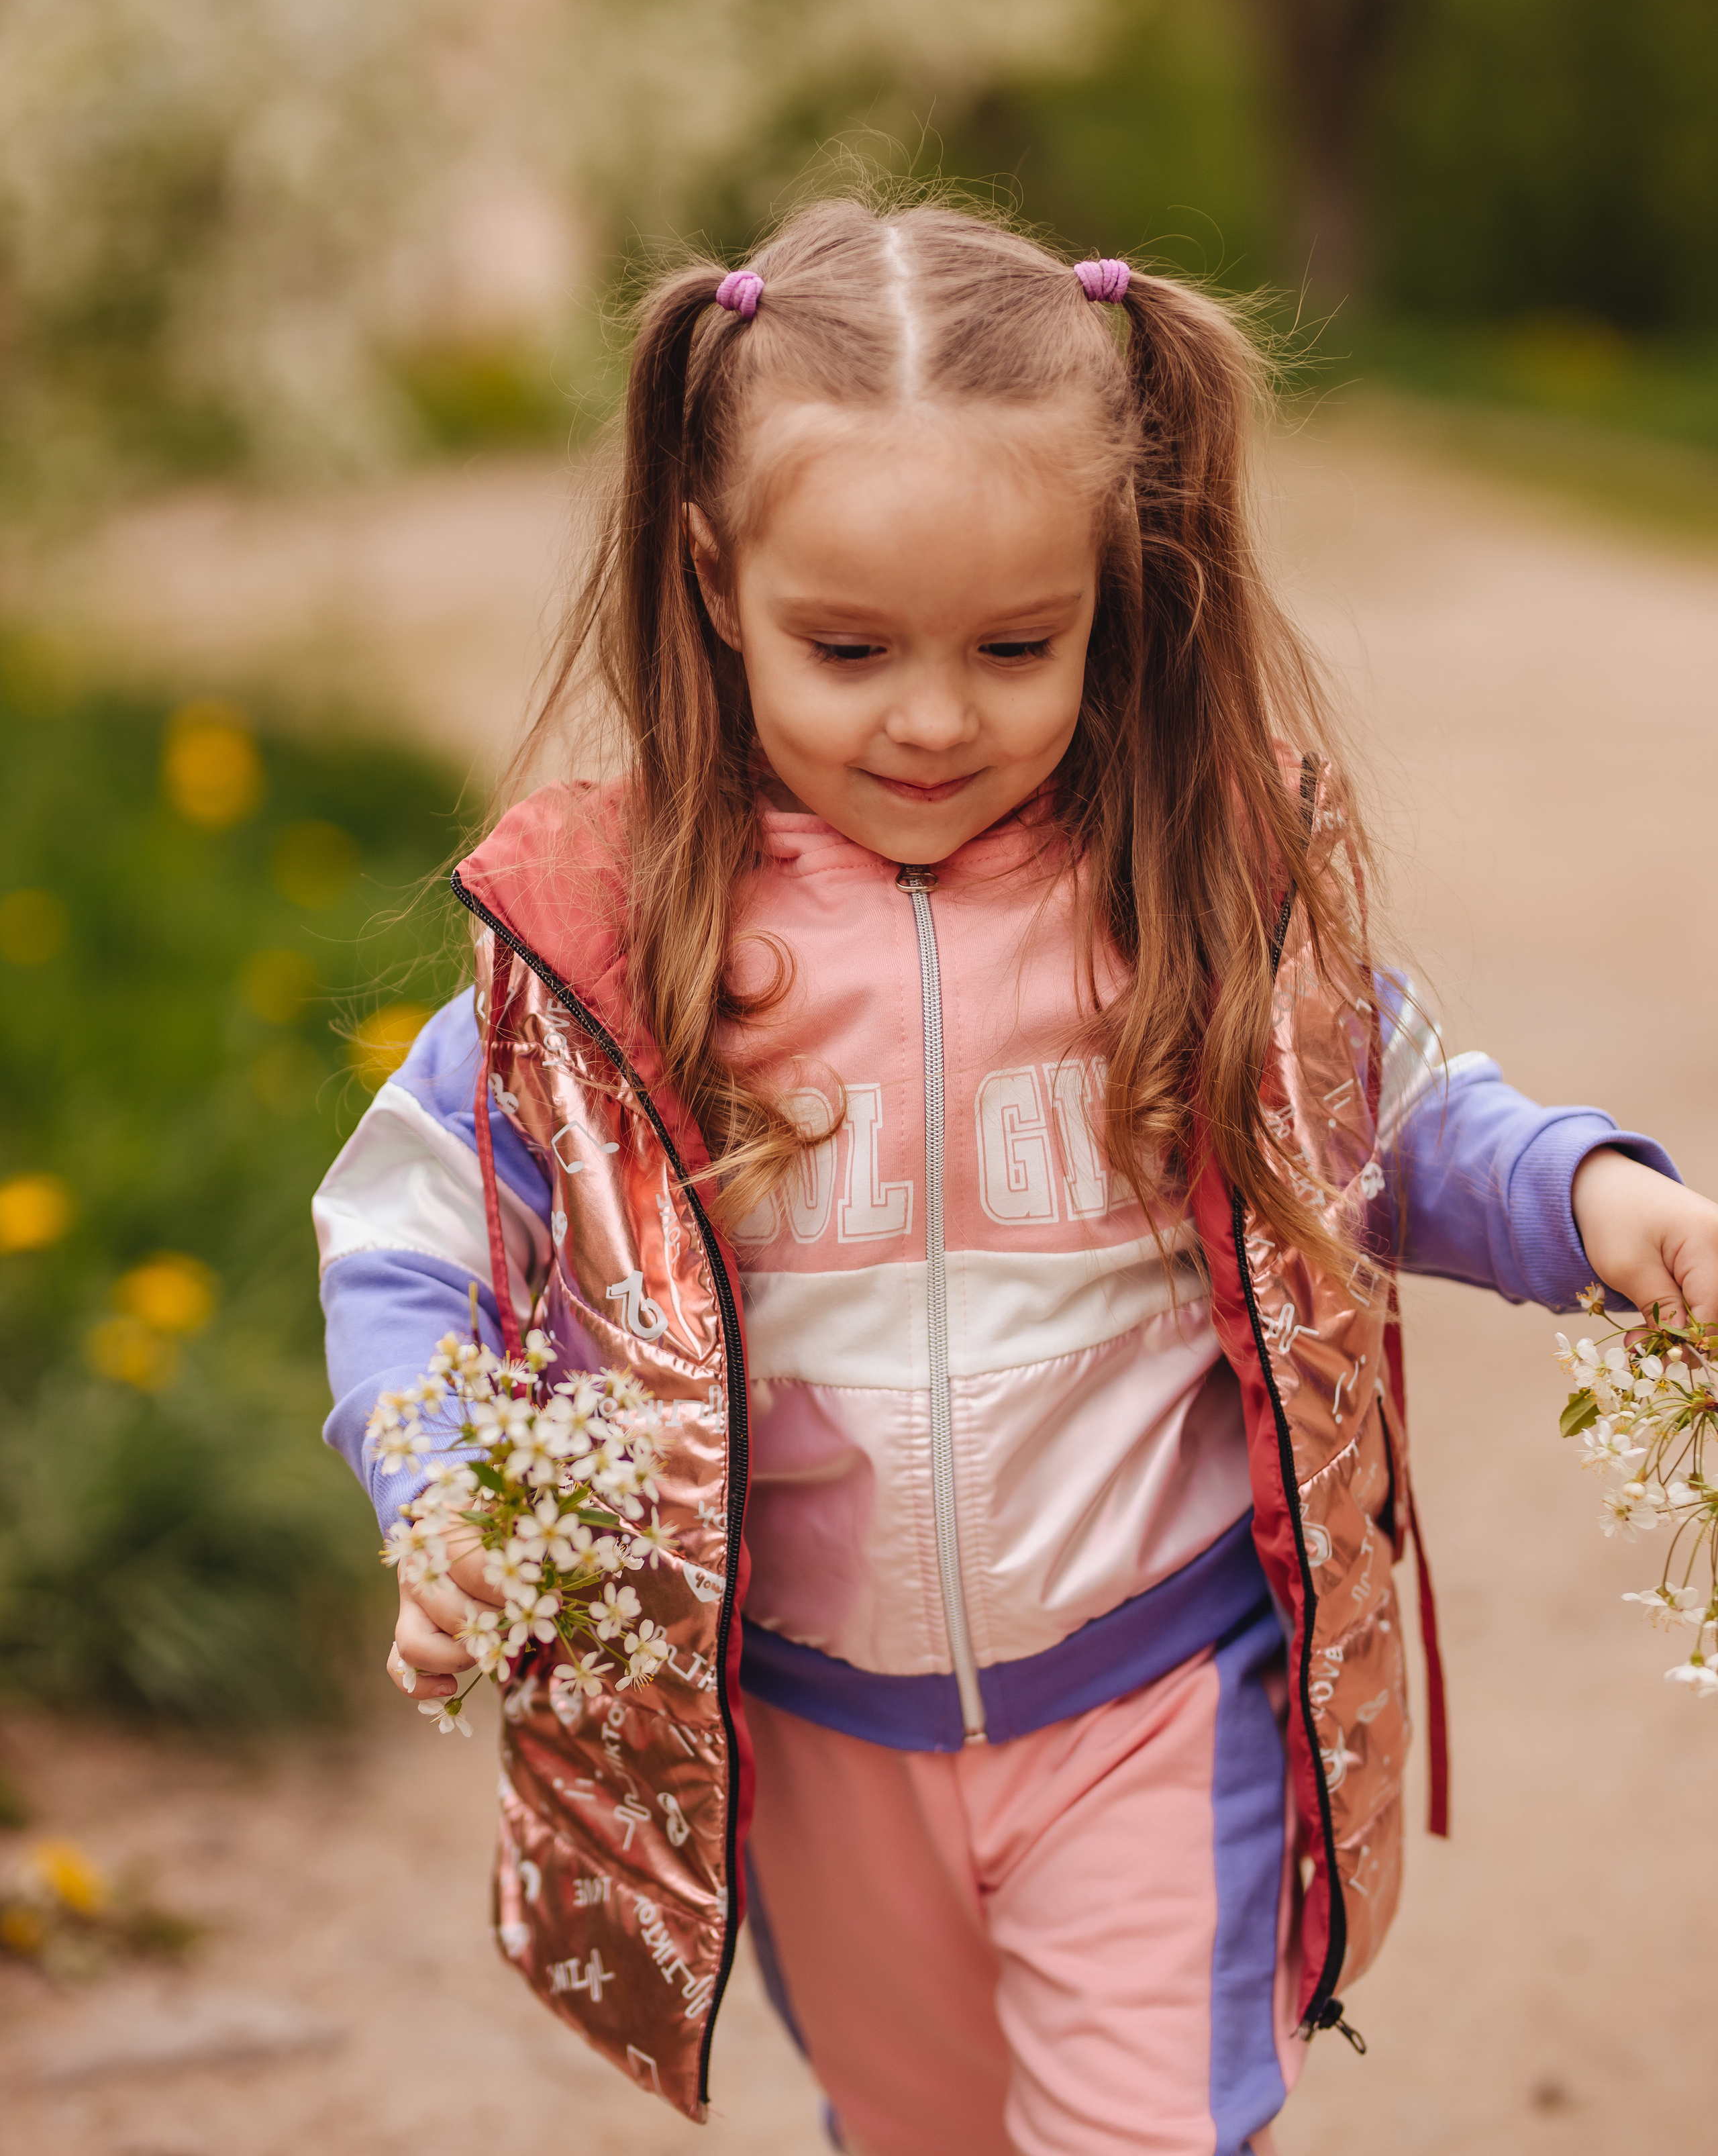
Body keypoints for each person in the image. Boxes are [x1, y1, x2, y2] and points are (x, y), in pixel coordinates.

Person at [315, 197, 1718, 2156]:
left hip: (1166, 1689)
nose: (932, 716)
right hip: (807, 1722)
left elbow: (1388, 1118)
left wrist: (1601, 1205)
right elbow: (413, 1230)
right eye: (848, 647)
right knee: (917, 2126)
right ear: (714, 577)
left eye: (1014, 646)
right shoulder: (614, 940)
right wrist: (444, 1474)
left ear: (1109, 591)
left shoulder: (1185, 890)